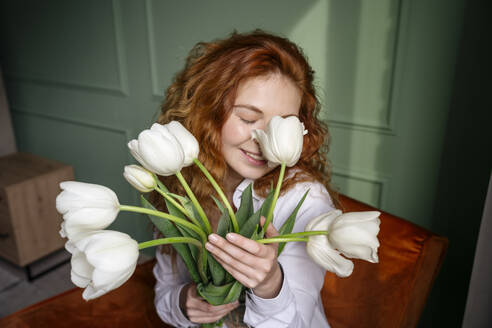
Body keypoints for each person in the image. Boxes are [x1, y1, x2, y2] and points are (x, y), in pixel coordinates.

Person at [151, 30, 339, 327]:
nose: (264, 141)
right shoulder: (180, 180)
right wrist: (183, 302)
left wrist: (269, 285)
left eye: (281, 126)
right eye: (249, 119)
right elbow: (165, 291)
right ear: (207, 111)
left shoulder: (305, 199)